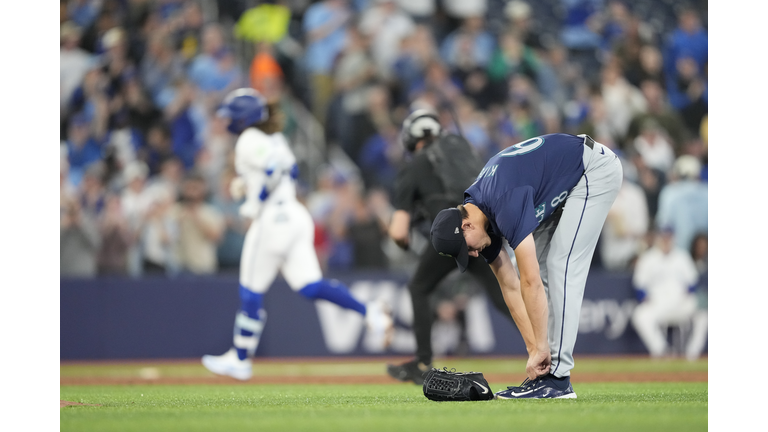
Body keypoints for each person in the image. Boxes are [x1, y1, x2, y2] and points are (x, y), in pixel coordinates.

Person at [201, 88, 393, 380]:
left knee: (250, 289)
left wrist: (260, 193)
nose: (228, 121)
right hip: (294, 215)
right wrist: (249, 185)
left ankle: (240, 358)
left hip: (272, 219)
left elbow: (276, 169)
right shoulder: (274, 137)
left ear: (243, 119)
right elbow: (288, 170)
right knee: (310, 286)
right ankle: (370, 313)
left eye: (232, 115)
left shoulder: (249, 140)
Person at [430, 133, 622, 398]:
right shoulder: (480, 215)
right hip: (561, 182)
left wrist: (542, 345)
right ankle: (546, 373)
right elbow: (510, 287)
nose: (472, 254)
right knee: (542, 270)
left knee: (560, 265)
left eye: (467, 247)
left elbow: (528, 282)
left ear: (466, 225)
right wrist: (535, 350)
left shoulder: (503, 201)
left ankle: (557, 380)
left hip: (592, 169)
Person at [385, 108, 515, 385]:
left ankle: (423, 363)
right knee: (503, 293)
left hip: (452, 232)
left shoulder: (416, 164)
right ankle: (545, 345)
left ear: (412, 138)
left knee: (419, 287)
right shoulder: (463, 150)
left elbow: (398, 230)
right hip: (485, 227)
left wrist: (404, 238)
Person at [630, 227, 702, 359]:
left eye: (668, 237)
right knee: (640, 315)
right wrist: (646, 298)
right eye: (663, 237)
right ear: (658, 238)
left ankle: (692, 354)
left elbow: (693, 283)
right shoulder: (648, 258)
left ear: (673, 238)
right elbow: (639, 286)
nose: (666, 240)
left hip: (680, 304)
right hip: (658, 303)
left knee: (703, 316)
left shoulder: (682, 256)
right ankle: (662, 350)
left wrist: (686, 294)